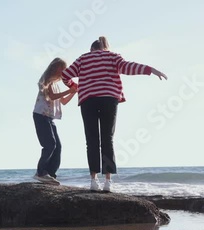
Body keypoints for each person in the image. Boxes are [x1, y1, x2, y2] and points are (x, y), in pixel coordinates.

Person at [61, 36, 167, 191]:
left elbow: (65, 75)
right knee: (107, 139)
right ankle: (107, 182)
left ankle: (93, 180)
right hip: (108, 98)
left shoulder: (83, 58)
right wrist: (150, 70)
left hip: (88, 100)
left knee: (91, 140)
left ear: (92, 49)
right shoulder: (112, 56)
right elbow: (129, 67)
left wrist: (73, 86)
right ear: (105, 47)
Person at [33, 58, 77, 185]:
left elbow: (63, 101)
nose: (64, 71)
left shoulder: (57, 85)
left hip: (49, 118)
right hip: (40, 115)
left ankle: (50, 174)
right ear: (55, 68)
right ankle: (40, 172)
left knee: (58, 147)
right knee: (50, 144)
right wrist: (70, 90)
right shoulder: (46, 81)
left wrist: (73, 92)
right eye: (62, 69)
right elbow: (52, 96)